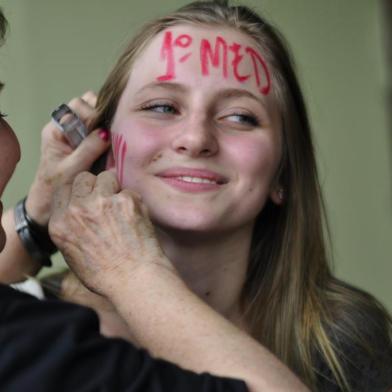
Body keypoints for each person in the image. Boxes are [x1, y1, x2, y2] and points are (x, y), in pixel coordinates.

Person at [1, 1, 391, 391]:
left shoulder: (343, 337)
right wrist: (38, 215)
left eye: (240, 116)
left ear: (283, 172)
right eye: (162, 107)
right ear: (99, 146)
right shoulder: (31, 318)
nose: (196, 139)